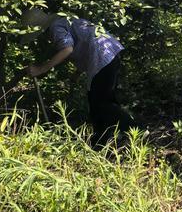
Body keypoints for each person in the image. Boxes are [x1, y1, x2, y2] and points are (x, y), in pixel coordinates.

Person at [20, 8, 132, 148]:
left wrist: (41, 69)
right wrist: (78, 73)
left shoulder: (55, 26)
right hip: (109, 52)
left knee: (101, 102)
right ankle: (101, 141)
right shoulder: (66, 20)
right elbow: (84, 43)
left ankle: (135, 128)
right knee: (98, 100)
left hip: (102, 57)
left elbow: (67, 49)